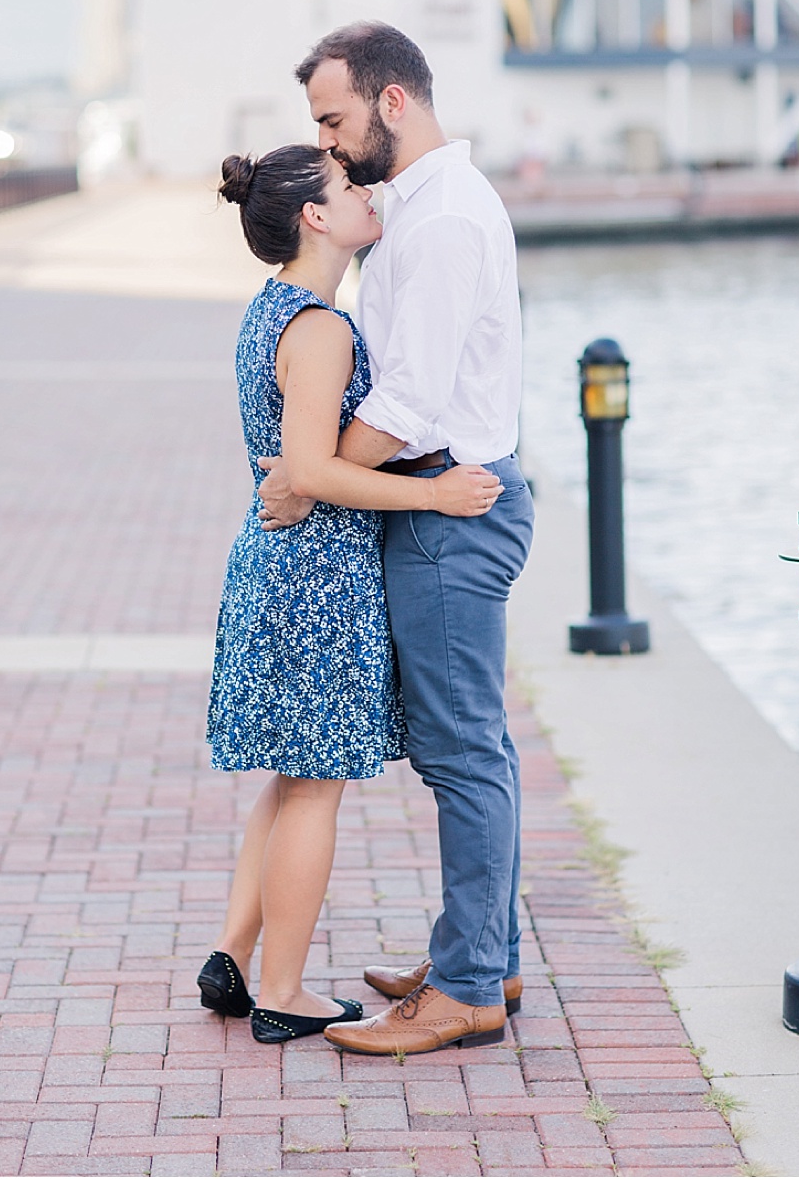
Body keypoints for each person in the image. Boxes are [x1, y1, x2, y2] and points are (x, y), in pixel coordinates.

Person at [258, 22, 535, 1056]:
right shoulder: (417, 207)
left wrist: (308, 473)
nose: (325, 141)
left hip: (447, 506)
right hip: (437, 499)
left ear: (391, 101)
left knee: (462, 754)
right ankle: (486, 955)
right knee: (476, 748)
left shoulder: (443, 218)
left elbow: (410, 402)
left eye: (332, 119)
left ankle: (465, 988)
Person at [199, 143, 503, 1045]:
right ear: (315, 217)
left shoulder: (274, 310)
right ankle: (283, 990)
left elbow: (297, 463)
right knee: (315, 789)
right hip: (316, 579)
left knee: (294, 778)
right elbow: (311, 470)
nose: (367, 193)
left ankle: (234, 954)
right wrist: (434, 495)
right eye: (347, 186)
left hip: (280, 566)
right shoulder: (323, 328)